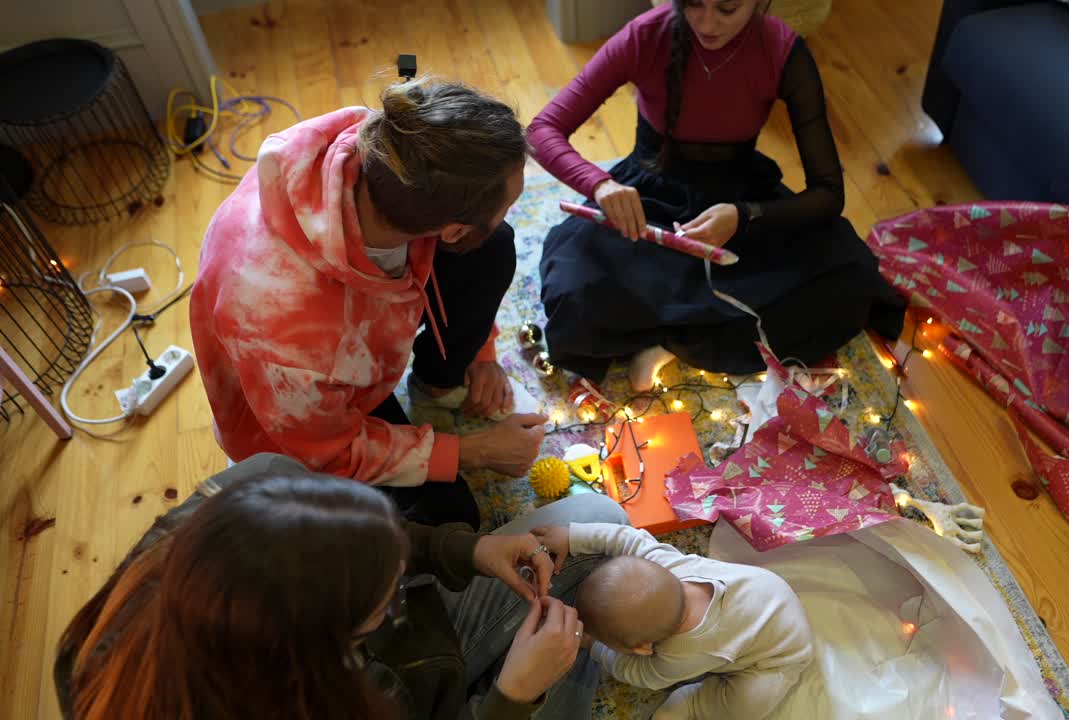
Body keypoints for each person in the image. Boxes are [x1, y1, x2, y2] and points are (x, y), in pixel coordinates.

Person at [190, 77, 544, 529]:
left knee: (493, 246)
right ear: (452, 231)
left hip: (336, 349)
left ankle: (438, 381)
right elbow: (332, 453)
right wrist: (477, 451)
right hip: (298, 430)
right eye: (507, 205)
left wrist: (480, 350)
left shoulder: (386, 147)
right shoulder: (289, 335)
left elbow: (467, 247)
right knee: (449, 523)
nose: (507, 214)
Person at [55, 453, 631, 720]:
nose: (404, 586)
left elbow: (370, 540)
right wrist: (512, 698)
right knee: (572, 664)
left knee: (599, 521)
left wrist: (462, 551)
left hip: (415, 668)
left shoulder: (261, 482)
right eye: (389, 598)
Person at [530, 0, 905, 391]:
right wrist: (599, 184)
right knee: (573, 291)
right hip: (649, 201)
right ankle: (701, 337)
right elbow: (543, 130)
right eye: (693, 4)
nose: (707, 23)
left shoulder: (782, 50)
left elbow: (828, 193)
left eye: (726, 9)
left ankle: (664, 342)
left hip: (741, 206)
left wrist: (744, 216)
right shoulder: (645, 35)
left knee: (852, 278)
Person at [533, 522, 813, 720]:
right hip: (772, 591)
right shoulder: (665, 563)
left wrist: (594, 646)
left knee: (748, 706)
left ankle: (693, 704)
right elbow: (625, 538)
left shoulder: (685, 653)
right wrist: (572, 536)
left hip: (780, 657)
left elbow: (642, 675)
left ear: (642, 648)